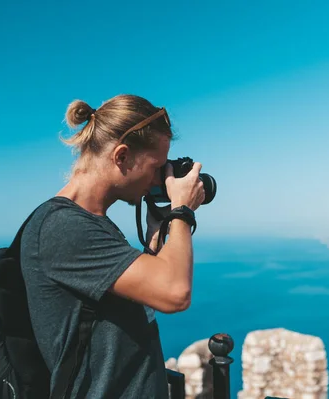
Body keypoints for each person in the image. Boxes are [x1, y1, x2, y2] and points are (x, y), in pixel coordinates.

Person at [19, 94, 205, 398]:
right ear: (121, 157)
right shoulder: (65, 227)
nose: (160, 178)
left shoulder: (90, 223)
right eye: (156, 165)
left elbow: (145, 292)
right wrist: (182, 210)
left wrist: (158, 230)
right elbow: (175, 294)